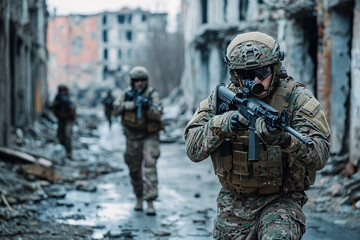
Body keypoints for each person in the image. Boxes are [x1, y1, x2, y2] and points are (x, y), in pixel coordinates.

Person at [184, 32, 330, 239]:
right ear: (235, 74)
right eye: (245, 75)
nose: (254, 81)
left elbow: (320, 154)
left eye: (262, 72)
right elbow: (192, 149)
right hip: (233, 203)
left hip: (281, 201)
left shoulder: (297, 99)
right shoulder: (221, 99)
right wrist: (222, 124)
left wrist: (286, 140)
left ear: (275, 67)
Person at [113, 66, 163, 216]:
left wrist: (147, 108)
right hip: (132, 137)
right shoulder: (126, 94)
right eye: (136, 81)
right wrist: (130, 105)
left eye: (142, 80)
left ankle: (150, 201)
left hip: (149, 136)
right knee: (134, 169)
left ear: (146, 81)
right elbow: (115, 110)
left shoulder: (152, 95)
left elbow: (159, 113)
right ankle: (139, 197)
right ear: (132, 82)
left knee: (149, 164)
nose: (139, 84)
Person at [51, 84, 76, 159]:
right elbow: (52, 107)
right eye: (61, 91)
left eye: (64, 91)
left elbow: (73, 109)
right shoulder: (57, 99)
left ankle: (69, 153)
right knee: (60, 136)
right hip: (61, 120)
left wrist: (69, 106)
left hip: (68, 120)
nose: (62, 93)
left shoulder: (69, 99)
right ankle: (62, 152)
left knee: (67, 136)